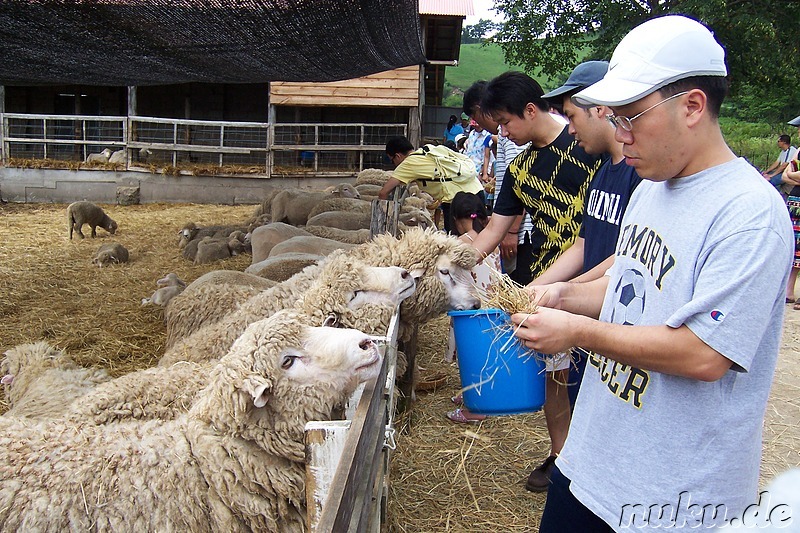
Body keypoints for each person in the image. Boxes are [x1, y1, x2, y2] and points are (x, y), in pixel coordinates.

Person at [509, 16, 793, 531]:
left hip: (671, 495)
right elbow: (628, 286)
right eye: (615, 118)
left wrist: (575, 332)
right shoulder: (649, 188)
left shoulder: (749, 212)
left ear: (691, 106)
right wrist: (564, 296)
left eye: (632, 117)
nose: (621, 135)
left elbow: (705, 354)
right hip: (590, 463)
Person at [466, 71, 601, 489]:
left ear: (530, 110)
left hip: (593, 281)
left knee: (592, 380)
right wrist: (450, 263)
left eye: (506, 123)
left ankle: (592, 463)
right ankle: (562, 458)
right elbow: (493, 230)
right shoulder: (520, 166)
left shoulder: (589, 148)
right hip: (542, 280)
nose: (502, 132)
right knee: (554, 379)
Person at [444, 192, 503, 423]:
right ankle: (472, 393)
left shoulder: (461, 244)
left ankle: (477, 407)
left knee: (472, 355)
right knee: (486, 353)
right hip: (494, 305)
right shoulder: (491, 238)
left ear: (457, 219)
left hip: (472, 309)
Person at [380, 136, 484, 234]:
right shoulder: (428, 150)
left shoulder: (407, 164)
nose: (394, 164)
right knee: (480, 234)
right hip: (476, 191)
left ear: (397, 156)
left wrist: (384, 219)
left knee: (460, 241)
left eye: (392, 160)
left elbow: (384, 192)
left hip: (457, 201)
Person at [781, 117, 800, 309]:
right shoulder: (799, 151)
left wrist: (792, 175)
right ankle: (789, 291)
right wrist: (794, 176)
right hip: (796, 201)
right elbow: (787, 174)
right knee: (794, 245)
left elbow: (790, 174)